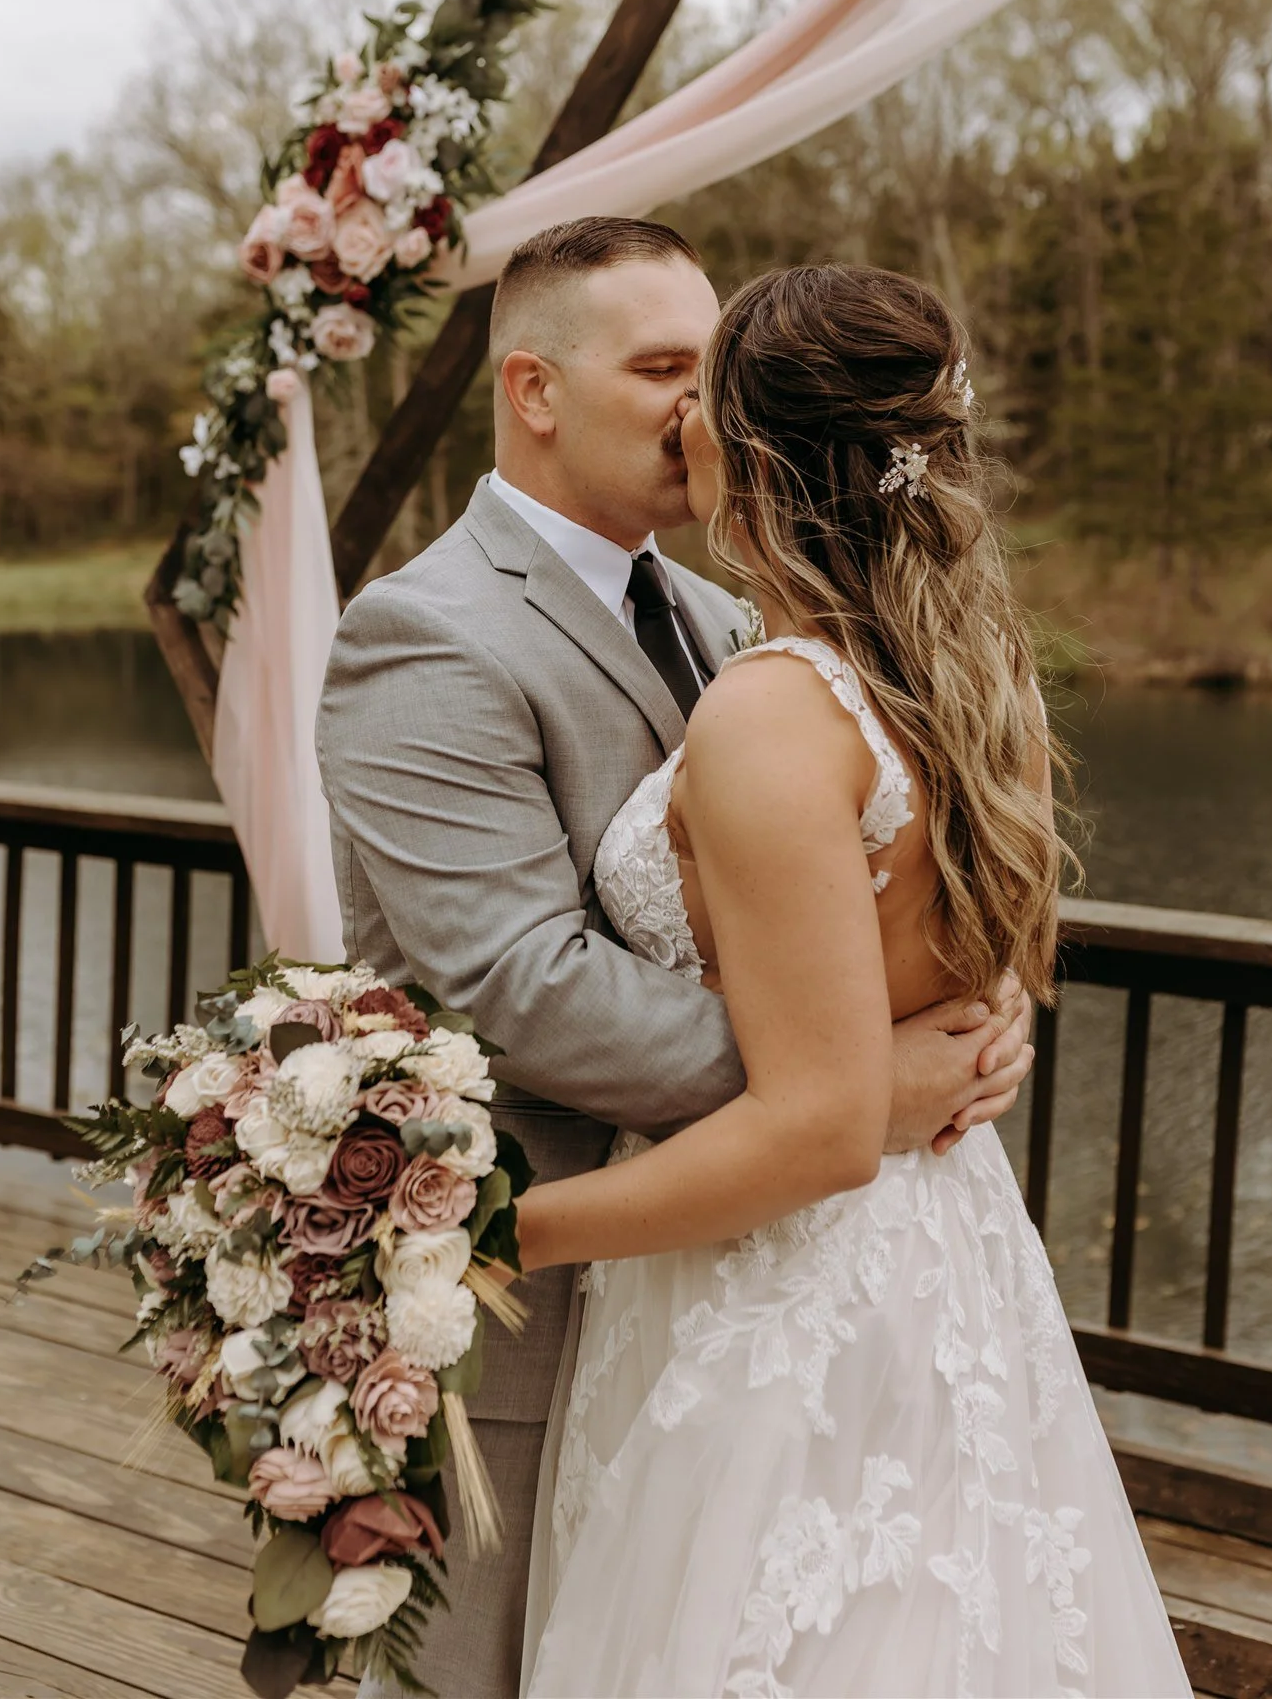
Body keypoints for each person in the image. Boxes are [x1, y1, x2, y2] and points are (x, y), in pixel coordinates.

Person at [316, 219, 1036, 1699]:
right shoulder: (422, 634)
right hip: (529, 1290)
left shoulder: (737, 618)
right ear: (533, 388)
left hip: (747, 1295)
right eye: (661, 369)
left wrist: (968, 1009)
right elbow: (517, 982)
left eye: (712, 372)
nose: (697, 408)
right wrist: (846, 1085)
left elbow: (867, 869)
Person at [516, 262, 1191, 1698]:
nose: (678, 425)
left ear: (751, 450)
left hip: (785, 1293)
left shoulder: (774, 710)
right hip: (942, 1245)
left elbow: (818, 1129)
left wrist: (505, 1236)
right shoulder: (958, 667)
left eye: (702, 403)